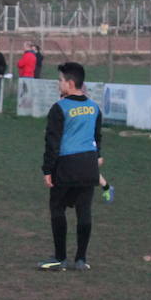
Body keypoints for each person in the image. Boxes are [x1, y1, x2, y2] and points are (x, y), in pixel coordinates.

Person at [38, 61, 102, 271]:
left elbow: (52, 142)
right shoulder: (94, 107)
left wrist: (47, 170)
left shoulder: (60, 108)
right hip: (89, 165)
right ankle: (81, 259)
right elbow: (97, 137)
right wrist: (97, 156)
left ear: (70, 83)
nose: (59, 84)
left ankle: (60, 258)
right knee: (84, 211)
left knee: (57, 208)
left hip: (66, 165)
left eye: (60, 80)